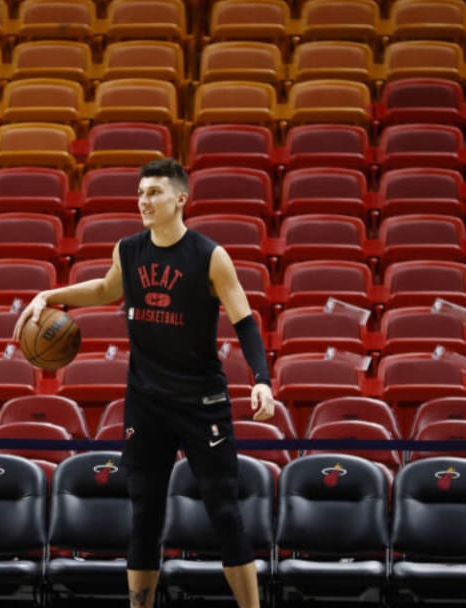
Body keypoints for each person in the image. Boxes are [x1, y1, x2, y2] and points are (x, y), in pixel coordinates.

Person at [14, 158, 278, 608]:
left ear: (180, 198)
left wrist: (262, 380)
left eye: (154, 193)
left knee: (224, 510)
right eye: (140, 194)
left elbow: (245, 321)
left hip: (202, 400)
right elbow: (104, 290)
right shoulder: (129, 250)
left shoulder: (210, 256)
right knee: (145, 514)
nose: (144, 201)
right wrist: (48, 294)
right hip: (147, 401)